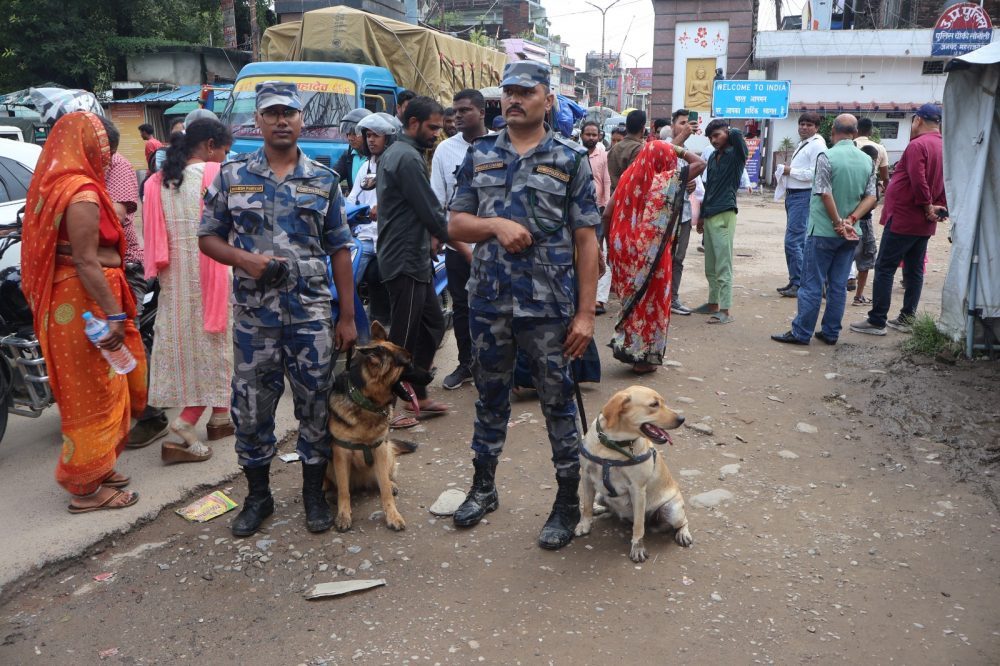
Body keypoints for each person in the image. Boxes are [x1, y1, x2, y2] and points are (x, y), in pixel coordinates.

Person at [448, 61, 600, 550]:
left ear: (547, 100)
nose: (514, 99)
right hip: (490, 301)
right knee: (490, 397)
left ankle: (566, 501)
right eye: (508, 92)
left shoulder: (570, 158)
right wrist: (495, 226)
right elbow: (456, 224)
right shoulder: (480, 154)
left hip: (549, 307)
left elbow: (586, 239)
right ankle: (484, 486)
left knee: (557, 403)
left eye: (525, 92)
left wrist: (586, 312)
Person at [198, 81, 358, 536]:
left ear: (301, 119)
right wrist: (244, 259)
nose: (282, 120)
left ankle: (312, 493)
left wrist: (347, 318)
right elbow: (207, 237)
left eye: (290, 112)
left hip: (310, 318)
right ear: (258, 121)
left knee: (314, 404)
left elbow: (341, 250)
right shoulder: (232, 176)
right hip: (254, 320)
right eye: (272, 113)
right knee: (250, 409)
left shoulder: (324, 180)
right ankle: (258, 496)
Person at [22, 112, 148, 513]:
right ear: (88, 147)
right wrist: (113, 317)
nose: (109, 156)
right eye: (104, 148)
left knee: (108, 383)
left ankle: (100, 465)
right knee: (92, 390)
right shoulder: (82, 194)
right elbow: (87, 261)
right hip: (84, 306)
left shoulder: (57, 185)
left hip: (79, 302)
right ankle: (85, 488)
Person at [143, 118, 235, 464]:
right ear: (211, 146)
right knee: (215, 349)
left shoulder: (158, 181)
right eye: (224, 151)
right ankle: (185, 423)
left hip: (174, 281)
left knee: (185, 352)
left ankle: (221, 418)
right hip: (210, 277)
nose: (225, 158)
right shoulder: (214, 175)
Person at [376, 96, 451, 428]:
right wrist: (460, 240)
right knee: (402, 339)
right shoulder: (406, 157)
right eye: (433, 127)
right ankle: (387, 409)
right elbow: (429, 208)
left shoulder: (406, 153)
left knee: (433, 324)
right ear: (414, 123)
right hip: (403, 257)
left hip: (416, 255)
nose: (437, 133)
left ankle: (417, 392)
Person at [771, 114, 877, 346]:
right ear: (855, 133)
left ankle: (801, 332)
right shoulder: (866, 160)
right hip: (851, 232)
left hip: (823, 230)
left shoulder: (826, 156)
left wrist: (837, 222)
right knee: (838, 285)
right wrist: (850, 219)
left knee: (812, 284)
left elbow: (824, 191)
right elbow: (871, 196)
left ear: (832, 132)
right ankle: (830, 332)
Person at [607, 139, 705, 373]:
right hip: (647, 248)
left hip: (622, 246)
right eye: (669, 159)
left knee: (631, 300)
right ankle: (643, 358)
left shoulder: (626, 177)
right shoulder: (660, 181)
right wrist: (676, 148)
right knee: (650, 300)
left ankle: (629, 347)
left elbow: (607, 212)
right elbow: (700, 163)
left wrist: (610, 249)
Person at [851, 103, 946, 336]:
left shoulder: (918, 145)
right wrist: (939, 208)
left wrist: (926, 206)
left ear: (918, 120)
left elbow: (918, 179)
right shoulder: (944, 146)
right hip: (925, 220)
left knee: (885, 267)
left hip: (906, 217)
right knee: (914, 270)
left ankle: (877, 320)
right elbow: (946, 181)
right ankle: (906, 318)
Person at [431, 89, 488, 391]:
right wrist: (464, 250)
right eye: (455, 111)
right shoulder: (444, 151)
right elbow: (438, 204)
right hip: (458, 249)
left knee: (497, 310)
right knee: (463, 308)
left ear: (481, 112)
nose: (457, 116)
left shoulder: (497, 147)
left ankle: (495, 365)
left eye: (465, 110)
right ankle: (466, 363)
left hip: (494, 250)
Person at [693, 119, 748, 324]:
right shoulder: (715, 157)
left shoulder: (736, 156)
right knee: (711, 264)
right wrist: (701, 217)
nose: (714, 140)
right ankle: (713, 303)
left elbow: (738, 138)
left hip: (725, 212)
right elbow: (709, 189)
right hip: (710, 214)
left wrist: (730, 129)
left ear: (727, 133)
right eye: (711, 137)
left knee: (723, 263)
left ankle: (725, 309)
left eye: (717, 135)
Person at [777, 112, 826, 298]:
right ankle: (798, 280)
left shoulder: (817, 145)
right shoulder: (804, 144)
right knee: (799, 241)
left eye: (809, 125)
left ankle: (799, 282)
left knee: (793, 241)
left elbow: (815, 173)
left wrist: (791, 171)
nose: (804, 127)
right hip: (794, 195)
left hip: (804, 195)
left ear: (816, 127)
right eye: (802, 124)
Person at [666, 109, 705, 316]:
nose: (686, 126)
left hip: (684, 213)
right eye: (681, 123)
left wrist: (690, 184)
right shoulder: (662, 146)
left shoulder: (688, 150)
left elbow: (696, 181)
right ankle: (657, 298)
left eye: (688, 123)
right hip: (663, 215)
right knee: (660, 258)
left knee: (678, 258)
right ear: (673, 125)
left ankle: (673, 298)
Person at [580, 120, 611, 314]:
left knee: (599, 251)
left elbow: (607, 180)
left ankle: (599, 298)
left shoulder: (603, 155)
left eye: (594, 134)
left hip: (598, 209)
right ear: (581, 135)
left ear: (599, 136)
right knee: (581, 251)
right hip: (579, 210)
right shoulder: (574, 153)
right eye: (588, 134)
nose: (591, 137)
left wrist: (606, 204)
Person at [851, 144, 881, 306]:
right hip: (864, 222)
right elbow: (873, 202)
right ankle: (859, 296)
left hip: (848, 219)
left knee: (842, 256)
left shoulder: (852, 173)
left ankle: (829, 290)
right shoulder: (871, 175)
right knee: (865, 259)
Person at [333, 108, 371, 193]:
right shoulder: (348, 156)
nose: (350, 138)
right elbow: (333, 177)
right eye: (348, 134)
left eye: (355, 134)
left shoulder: (376, 158)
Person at [607, 109, 645, 192]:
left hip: (614, 197)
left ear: (627, 127)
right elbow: (634, 181)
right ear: (643, 129)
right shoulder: (638, 149)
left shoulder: (614, 148)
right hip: (628, 199)